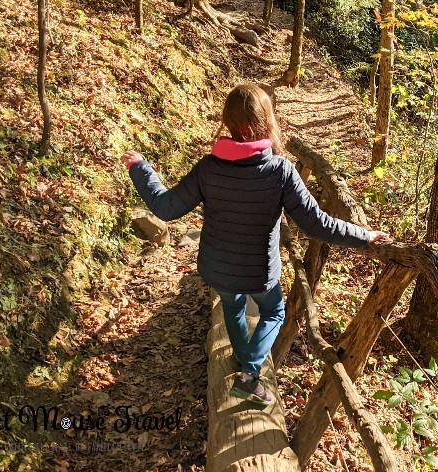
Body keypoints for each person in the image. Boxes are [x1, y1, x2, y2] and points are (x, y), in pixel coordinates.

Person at [121, 83, 388, 406]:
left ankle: (241, 359)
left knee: (232, 306)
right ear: (265, 122)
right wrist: (363, 235)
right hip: (258, 273)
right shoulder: (280, 172)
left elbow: (166, 207)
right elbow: (316, 224)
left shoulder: (209, 168)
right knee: (274, 312)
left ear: (230, 123)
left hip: (217, 269)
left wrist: (140, 168)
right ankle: (249, 376)